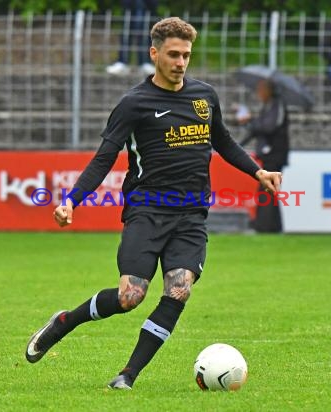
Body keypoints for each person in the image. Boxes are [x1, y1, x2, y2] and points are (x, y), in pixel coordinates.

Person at [25, 17, 282, 390]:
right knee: (131, 296)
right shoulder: (134, 103)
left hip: (191, 215)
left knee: (179, 289)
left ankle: (128, 375)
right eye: (173, 54)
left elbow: (223, 141)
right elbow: (104, 158)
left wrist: (257, 172)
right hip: (147, 211)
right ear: (155, 53)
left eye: (186, 55)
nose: (181, 62)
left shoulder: (204, 97)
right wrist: (71, 201)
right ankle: (65, 322)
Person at [236, 79, 289, 233]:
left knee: (268, 189)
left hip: (274, 154)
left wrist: (251, 122)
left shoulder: (278, 105)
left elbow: (268, 126)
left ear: (269, 90)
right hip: (270, 154)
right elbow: (258, 128)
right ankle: (270, 226)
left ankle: (265, 226)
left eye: (261, 89)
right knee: (268, 189)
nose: (259, 93)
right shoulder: (270, 106)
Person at [106, 0, 157, 76]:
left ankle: (144, 63)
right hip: (129, 7)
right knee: (126, 31)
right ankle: (123, 62)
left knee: (143, 31)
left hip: (147, 7)